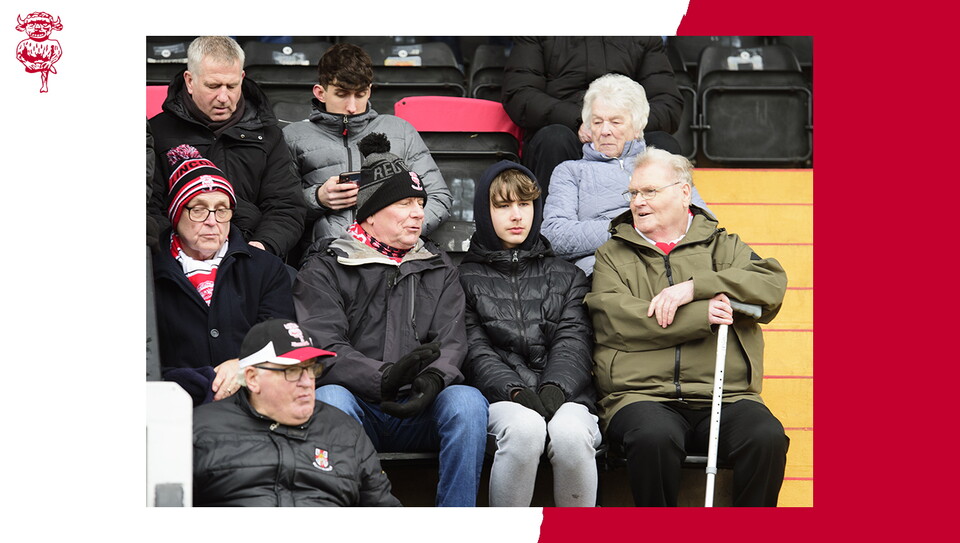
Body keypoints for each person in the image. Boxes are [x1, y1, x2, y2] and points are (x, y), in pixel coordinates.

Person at [584, 148, 789, 507]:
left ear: (683, 193)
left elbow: (771, 285)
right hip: (642, 395)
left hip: (725, 396)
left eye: (650, 191)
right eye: (633, 193)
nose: (638, 202)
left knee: (766, 437)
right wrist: (702, 315)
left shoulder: (724, 246)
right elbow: (615, 318)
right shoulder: (612, 255)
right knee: (653, 437)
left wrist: (696, 287)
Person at [293, 133, 488, 507]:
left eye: (420, 203)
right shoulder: (325, 268)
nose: (418, 213)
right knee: (330, 399)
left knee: (467, 403)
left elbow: (451, 341)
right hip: (360, 406)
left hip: (421, 405)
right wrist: (382, 378)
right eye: (405, 203)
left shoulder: (438, 267)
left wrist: (433, 379)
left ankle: (457, 524)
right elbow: (325, 347)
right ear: (370, 213)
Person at [458, 160, 601, 507]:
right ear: (484, 212)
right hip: (500, 399)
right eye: (503, 206)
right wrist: (516, 391)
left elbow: (574, 341)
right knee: (525, 429)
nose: (517, 215)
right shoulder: (461, 279)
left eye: (525, 204)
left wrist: (554, 388)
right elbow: (475, 350)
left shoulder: (567, 275)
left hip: (566, 395)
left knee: (570, 435)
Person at [192, 318, 402, 506]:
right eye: (292, 371)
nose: (307, 382)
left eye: (311, 369)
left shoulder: (345, 431)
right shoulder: (201, 431)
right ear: (253, 379)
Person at [283, 42, 451, 260]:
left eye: (360, 94)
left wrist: (399, 233)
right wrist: (317, 198)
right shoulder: (293, 136)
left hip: (395, 257)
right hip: (326, 258)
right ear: (320, 92)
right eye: (341, 94)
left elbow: (439, 197)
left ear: (369, 91)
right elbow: (278, 209)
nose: (352, 106)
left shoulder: (400, 131)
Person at [152, 153, 295, 407]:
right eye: (198, 210)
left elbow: (281, 339)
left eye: (221, 210)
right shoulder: (151, 270)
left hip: (253, 401)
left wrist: (244, 365)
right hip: (176, 406)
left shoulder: (265, 268)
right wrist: (204, 381)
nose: (212, 222)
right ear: (176, 214)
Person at [148, 35, 306, 262]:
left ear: (242, 78)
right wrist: (179, 251)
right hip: (177, 258)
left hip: (252, 256)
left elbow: (286, 206)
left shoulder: (269, 135)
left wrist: (261, 247)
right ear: (190, 81)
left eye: (232, 86)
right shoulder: (158, 132)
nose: (223, 97)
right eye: (213, 86)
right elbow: (149, 209)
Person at [541, 73, 710, 277]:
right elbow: (555, 235)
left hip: (670, 262)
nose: (604, 131)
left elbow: (705, 222)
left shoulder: (664, 165)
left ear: (637, 127)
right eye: (597, 122)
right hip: (606, 268)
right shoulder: (570, 172)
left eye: (615, 122)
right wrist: (629, 228)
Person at [502, 36, 684, 196]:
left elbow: (669, 104)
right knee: (554, 139)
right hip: (564, 130)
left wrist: (625, 126)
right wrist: (582, 120)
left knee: (663, 145)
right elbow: (519, 93)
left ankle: (664, 224)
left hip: (628, 135)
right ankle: (549, 224)